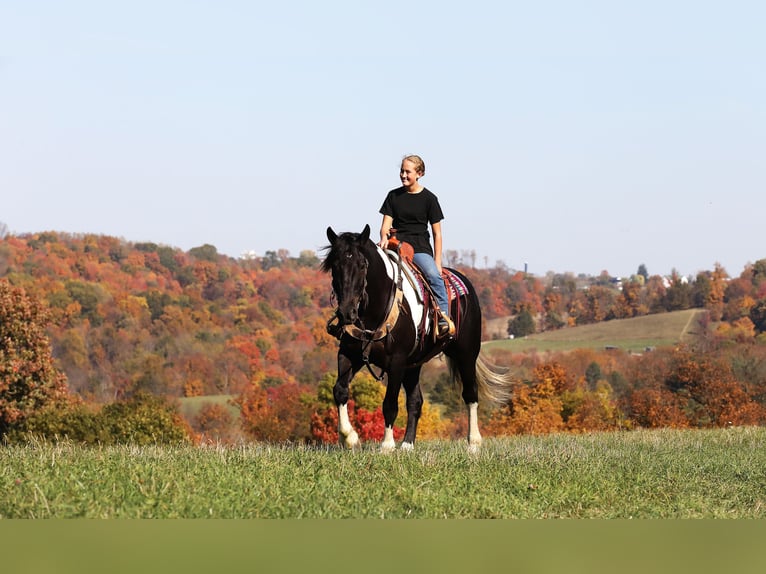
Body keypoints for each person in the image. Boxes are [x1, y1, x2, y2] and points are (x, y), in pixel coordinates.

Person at [378, 155, 453, 337]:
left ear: (419, 174)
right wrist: (383, 238)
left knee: (434, 277)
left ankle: (443, 318)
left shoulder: (429, 199)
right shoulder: (393, 196)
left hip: (419, 248)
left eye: (407, 172)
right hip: (396, 245)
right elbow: (384, 227)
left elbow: (437, 234)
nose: (403, 175)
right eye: (401, 171)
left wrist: (437, 261)